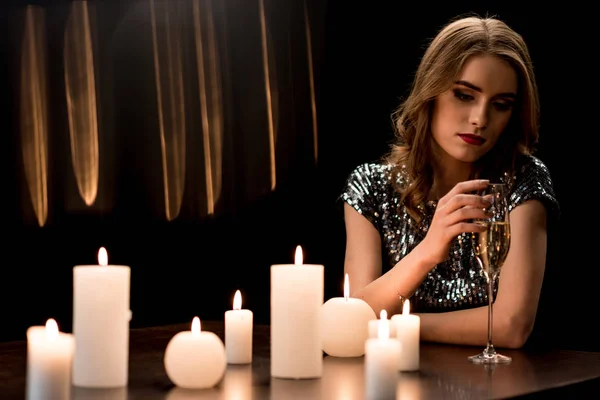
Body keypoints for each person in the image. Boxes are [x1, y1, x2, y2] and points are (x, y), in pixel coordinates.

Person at [339, 14, 559, 349]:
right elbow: (352, 318)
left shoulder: (521, 180)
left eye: (500, 105)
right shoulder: (371, 186)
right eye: (464, 95)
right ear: (431, 91)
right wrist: (428, 249)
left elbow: (511, 326)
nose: (480, 119)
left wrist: (396, 324)